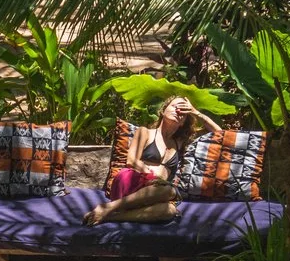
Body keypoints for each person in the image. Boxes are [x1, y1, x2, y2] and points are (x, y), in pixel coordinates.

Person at [84, 95, 219, 224]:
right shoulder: (145, 132)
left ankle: (109, 215)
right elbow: (131, 161)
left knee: (170, 211)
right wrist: (152, 176)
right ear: (163, 111)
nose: (179, 111)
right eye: (174, 107)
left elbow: (218, 133)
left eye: (183, 111)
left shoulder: (180, 141)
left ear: (184, 121)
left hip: (156, 193)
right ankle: (111, 207)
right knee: (170, 191)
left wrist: (195, 112)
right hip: (132, 180)